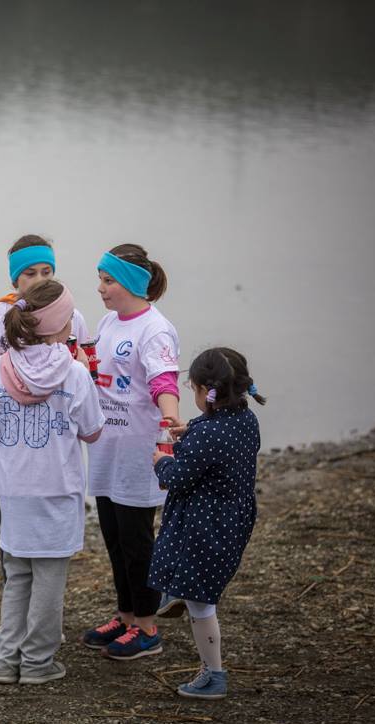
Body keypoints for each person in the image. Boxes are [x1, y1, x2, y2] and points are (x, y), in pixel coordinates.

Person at [0, 280, 105, 684]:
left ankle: (6, 661)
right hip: (57, 493)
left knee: (17, 577)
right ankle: (37, 663)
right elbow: (93, 431)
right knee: (49, 582)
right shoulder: (75, 374)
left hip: (14, 493)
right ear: (60, 326)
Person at [82, 244, 181, 661]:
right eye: (101, 280)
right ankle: (125, 616)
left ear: (132, 284)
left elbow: (163, 380)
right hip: (106, 450)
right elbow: (95, 373)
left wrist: (171, 419)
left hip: (138, 454)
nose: (100, 288)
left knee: (138, 543)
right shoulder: (108, 322)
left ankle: (147, 627)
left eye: (109, 281)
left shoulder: (155, 330)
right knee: (114, 538)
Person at [149, 347, 266, 699]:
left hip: (205, 523)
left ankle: (213, 675)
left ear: (205, 391)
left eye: (194, 389)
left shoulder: (208, 435)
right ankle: (177, 592)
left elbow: (177, 479)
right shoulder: (246, 420)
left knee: (203, 604)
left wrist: (161, 462)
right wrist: (190, 430)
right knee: (194, 576)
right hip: (233, 518)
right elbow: (215, 439)